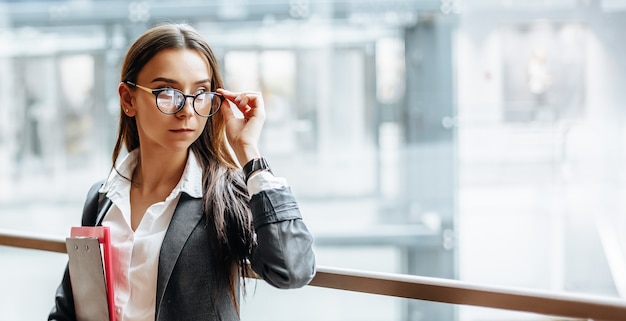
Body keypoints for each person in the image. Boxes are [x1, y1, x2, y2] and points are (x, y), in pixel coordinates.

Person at [48, 23, 316, 321]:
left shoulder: (224, 194)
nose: (187, 110)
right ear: (128, 99)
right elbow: (69, 308)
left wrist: (248, 152)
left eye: (200, 92)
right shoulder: (102, 198)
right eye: (167, 92)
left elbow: (292, 269)